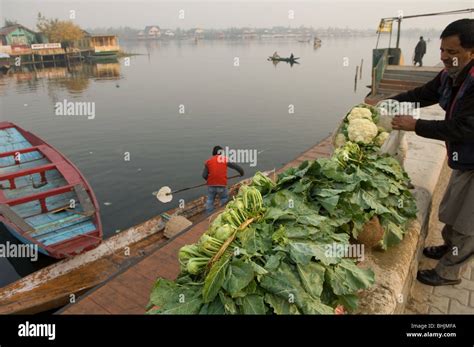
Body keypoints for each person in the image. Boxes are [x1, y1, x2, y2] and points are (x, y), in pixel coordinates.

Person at [391, 19, 474, 286]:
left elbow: (463, 127)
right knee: (453, 210)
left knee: (468, 223)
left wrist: (415, 125)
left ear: (471, 52)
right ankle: (448, 248)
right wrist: (389, 102)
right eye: (442, 50)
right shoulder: (451, 74)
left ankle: (449, 273)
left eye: (452, 52)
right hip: (465, 159)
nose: (444, 57)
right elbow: (425, 93)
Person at [203, 146, 244, 214]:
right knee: (224, 199)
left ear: (213, 152)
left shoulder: (208, 161)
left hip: (211, 185)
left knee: (210, 200)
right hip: (221, 185)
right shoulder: (224, 159)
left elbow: (204, 175)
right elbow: (237, 167)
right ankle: (223, 213)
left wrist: (209, 179)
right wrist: (242, 173)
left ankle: (208, 215)